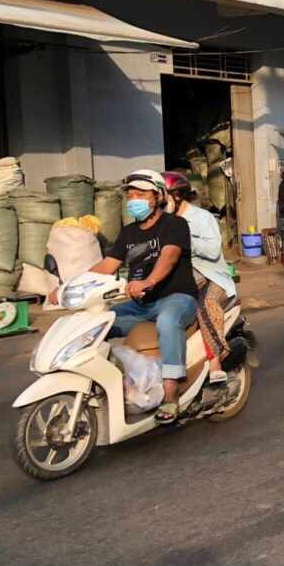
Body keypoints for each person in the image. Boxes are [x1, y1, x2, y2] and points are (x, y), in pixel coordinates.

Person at [91, 170, 200, 423]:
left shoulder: (175, 225)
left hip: (177, 297)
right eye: (130, 196)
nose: (133, 200)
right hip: (141, 306)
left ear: (158, 196)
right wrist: (70, 285)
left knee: (167, 321)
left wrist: (149, 281)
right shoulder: (128, 233)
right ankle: (110, 385)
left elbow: (169, 256)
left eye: (140, 194)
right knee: (98, 323)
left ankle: (171, 393)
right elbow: (107, 265)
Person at [164, 171, 236, 385]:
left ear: (177, 196)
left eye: (162, 197)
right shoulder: (164, 221)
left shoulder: (201, 218)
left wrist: (182, 240)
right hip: (183, 276)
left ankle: (216, 362)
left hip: (212, 276)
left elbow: (213, 251)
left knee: (205, 303)